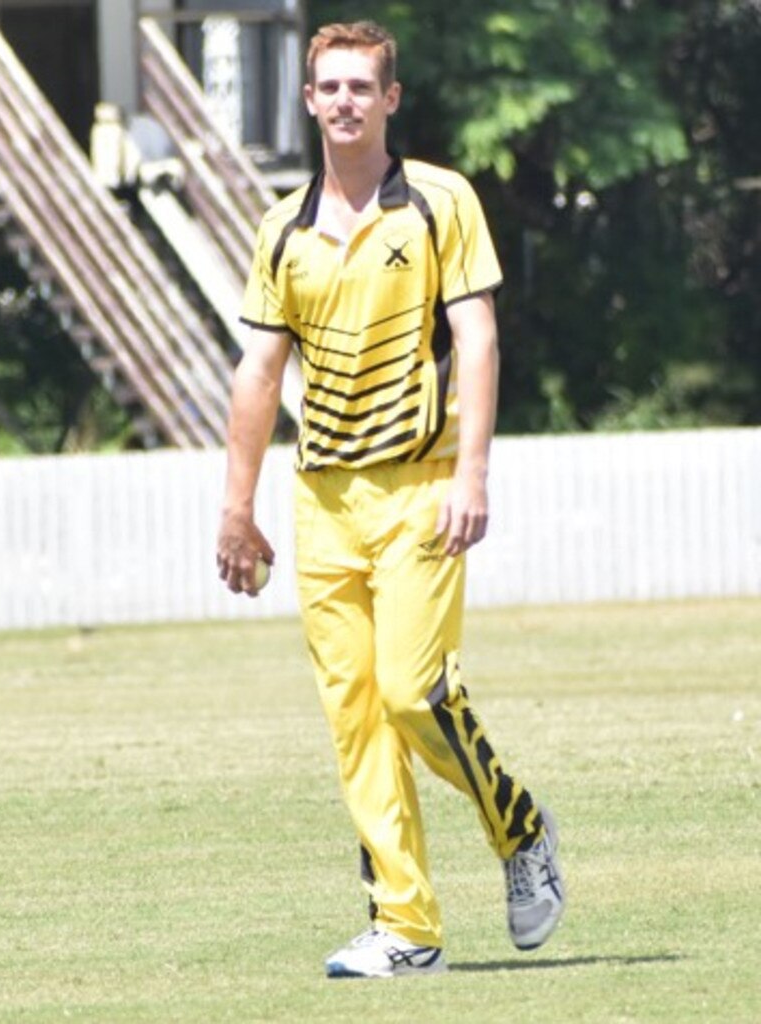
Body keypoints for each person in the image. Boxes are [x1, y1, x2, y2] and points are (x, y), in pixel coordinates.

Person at [216, 19, 565, 979]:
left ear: (391, 99)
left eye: (361, 87)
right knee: (358, 718)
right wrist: (236, 508)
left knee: (415, 694)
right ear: (309, 101)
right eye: (328, 87)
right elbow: (257, 373)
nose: (344, 102)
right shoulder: (280, 229)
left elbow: (479, 338)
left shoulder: (440, 202)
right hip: (321, 502)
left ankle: (521, 827)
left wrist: (474, 473)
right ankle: (407, 930)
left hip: (421, 489)